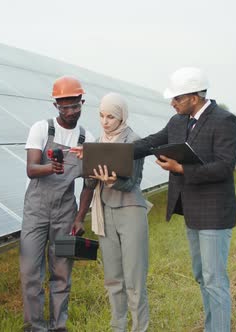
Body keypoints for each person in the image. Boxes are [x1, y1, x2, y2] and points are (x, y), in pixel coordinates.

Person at [132, 67, 236, 331]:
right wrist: (106, 151)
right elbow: (149, 143)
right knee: (202, 276)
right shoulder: (178, 122)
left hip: (215, 213)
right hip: (192, 211)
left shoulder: (225, 121)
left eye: (176, 98)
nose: (172, 103)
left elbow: (224, 167)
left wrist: (182, 169)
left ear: (194, 97)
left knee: (214, 279)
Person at [20, 76, 95, 332]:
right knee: (31, 273)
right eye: (65, 107)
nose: (71, 112)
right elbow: (31, 169)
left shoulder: (87, 138)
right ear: (56, 106)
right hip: (36, 211)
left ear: (82, 102)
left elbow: (90, 183)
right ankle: (35, 328)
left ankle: (58, 327)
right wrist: (51, 167)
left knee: (61, 275)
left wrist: (80, 217)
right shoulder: (42, 129)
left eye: (75, 105)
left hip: (66, 213)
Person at [84, 93, 150, 332]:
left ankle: (139, 328)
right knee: (113, 277)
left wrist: (113, 180)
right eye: (101, 116)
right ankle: (117, 327)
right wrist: (88, 170)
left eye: (111, 116)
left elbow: (134, 181)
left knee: (134, 278)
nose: (105, 121)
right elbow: (90, 184)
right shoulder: (99, 141)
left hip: (130, 209)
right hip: (105, 210)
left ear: (121, 116)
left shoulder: (134, 140)